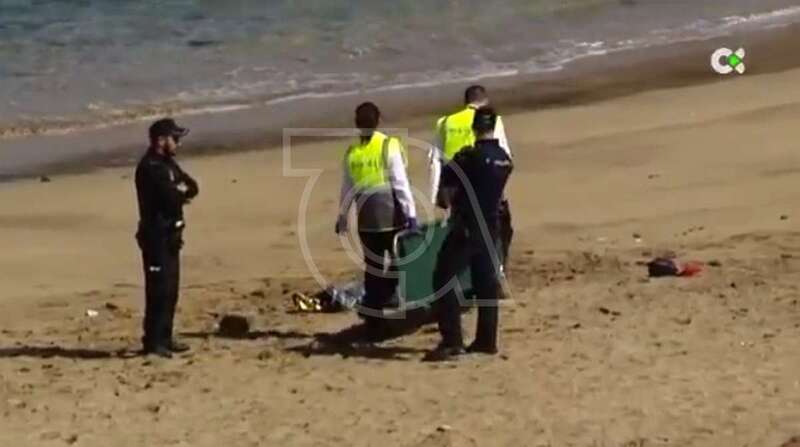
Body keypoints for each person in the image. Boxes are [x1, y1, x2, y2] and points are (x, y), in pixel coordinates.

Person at [424, 107, 513, 362]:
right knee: (485, 283)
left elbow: (445, 194)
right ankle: (487, 340)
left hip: (467, 226)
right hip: (491, 225)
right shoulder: (504, 159)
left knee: (443, 278)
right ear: (493, 127)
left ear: (474, 128)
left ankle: (452, 340)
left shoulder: (467, 157)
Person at [336, 102, 417, 335]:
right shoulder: (388, 146)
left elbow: (347, 188)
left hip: (366, 220)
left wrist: (342, 216)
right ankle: (386, 300)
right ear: (379, 120)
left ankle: (374, 313)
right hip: (391, 217)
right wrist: (411, 213)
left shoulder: (352, 153)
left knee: (373, 267)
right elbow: (400, 183)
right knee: (401, 262)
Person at [429, 85, 514, 270]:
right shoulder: (492, 120)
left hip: (455, 187)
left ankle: (464, 272)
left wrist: (437, 195)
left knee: (461, 232)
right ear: (485, 100)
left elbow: (435, 161)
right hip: (485, 181)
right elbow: (503, 153)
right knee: (496, 228)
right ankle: (498, 268)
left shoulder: (445, 122)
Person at [135, 118, 199, 358]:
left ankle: (166, 336)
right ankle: (153, 341)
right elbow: (170, 197)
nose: (178, 143)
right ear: (161, 140)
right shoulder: (150, 167)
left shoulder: (168, 164)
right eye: (175, 138)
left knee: (171, 289)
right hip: (156, 237)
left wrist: (182, 191)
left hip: (171, 235)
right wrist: (179, 194)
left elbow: (190, 185)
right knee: (158, 291)